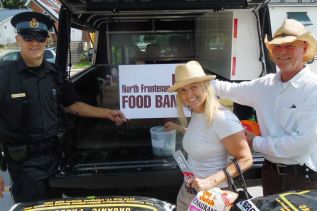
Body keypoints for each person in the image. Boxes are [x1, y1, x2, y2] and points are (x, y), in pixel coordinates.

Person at [0, 12, 127, 203]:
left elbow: (72, 105)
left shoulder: (55, 75)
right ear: (18, 39)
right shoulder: (4, 76)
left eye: (40, 37)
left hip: (55, 159)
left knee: (55, 206)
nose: (34, 43)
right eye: (28, 37)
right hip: (24, 166)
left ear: (47, 39)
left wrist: (108, 113)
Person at [212, 19, 317, 195]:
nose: (282, 51)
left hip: (303, 179)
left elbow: (299, 145)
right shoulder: (265, 84)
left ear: (304, 48)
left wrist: (255, 141)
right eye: (277, 46)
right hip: (270, 174)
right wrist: (197, 82)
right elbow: (230, 89)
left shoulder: (313, 88)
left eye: (290, 45)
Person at [165, 61, 253, 210]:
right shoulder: (198, 112)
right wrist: (180, 128)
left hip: (213, 197)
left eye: (194, 87)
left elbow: (246, 159)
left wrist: (209, 182)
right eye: (183, 90)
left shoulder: (222, 118)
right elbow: (206, 140)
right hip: (188, 191)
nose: (188, 95)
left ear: (205, 86)